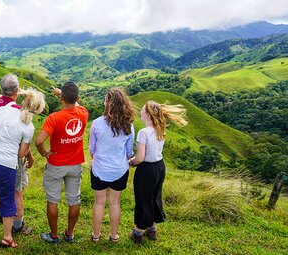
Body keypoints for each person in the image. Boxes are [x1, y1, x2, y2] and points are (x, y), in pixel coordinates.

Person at [0, 86, 45, 248]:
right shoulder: (29, 127)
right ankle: (7, 237)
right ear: (37, 110)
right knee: (8, 199)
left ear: (24, 101)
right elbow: (21, 154)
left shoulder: (6, 108)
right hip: (5, 164)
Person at [0, 74, 34, 235]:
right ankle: (15, 227)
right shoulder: (21, 114)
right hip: (8, 158)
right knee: (15, 192)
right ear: (16, 91)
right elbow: (21, 150)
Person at [35, 82, 89, 244]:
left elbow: (38, 141)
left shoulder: (54, 118)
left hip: (56, 164)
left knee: (53, 200)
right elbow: (76, 104)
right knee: (74, 200)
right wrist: (62, 93)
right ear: (77, 98)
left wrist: (45, 153)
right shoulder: (83, 113)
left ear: (62, 99)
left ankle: (54, 235)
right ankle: (70, 234)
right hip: (75, 164)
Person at [129, 100, 187, 244]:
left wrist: (131, 162)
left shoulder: (143, 132)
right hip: (160, 167)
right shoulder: (160, 128)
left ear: (148, 115)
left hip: (147, 170)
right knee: (155, 197)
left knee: (143, 199)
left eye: (143, 110)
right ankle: (152, 229)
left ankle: (138, 231)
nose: (140, 112)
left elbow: (141, 158)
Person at [88, 88, 135, 243]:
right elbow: (129, 152)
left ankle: (96, 235)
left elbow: (92, 150)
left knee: (99, 202)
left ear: (107, 103)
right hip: (120, 170)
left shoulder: (96, 123)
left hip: (99, 169)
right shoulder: (129, 125)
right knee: (115, 203)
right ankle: (114, 236)